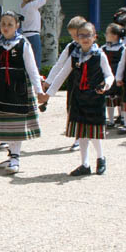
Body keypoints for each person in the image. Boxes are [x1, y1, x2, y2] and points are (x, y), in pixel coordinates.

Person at [41, 22, 114, 176]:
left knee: (93, 131)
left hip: (95, 98)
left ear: (94, 37)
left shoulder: (99, 55)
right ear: (77, 38)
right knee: (81, 132)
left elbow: (109, 75)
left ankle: (101, 158)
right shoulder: (74, 56)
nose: (85, 38)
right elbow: (62, 75)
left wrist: (106, 85)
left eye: (88, 35)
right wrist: (49, 93)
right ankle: (84, 164)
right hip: (79, 98)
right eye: (81, 35)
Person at [0, 12, 46, 174]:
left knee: (16, 121)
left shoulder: (23, 43)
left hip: (19, 86)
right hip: (0, 87)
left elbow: (32, 68)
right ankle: (11, 155)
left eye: (10, 24)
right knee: (5, 122)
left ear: (17, 25)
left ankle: (16, 157)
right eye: (3, 24)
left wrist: (39, 90)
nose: (6, 27)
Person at [43, 16, 87, 151]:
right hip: (74, 81)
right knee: (72, 107)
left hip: (88, 81)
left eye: (76, 35)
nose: (74, 38)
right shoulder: (71, 47)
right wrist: (49, 82)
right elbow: (59, 65)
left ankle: (82, 137)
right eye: (72, 35)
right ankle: (78, 136)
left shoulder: (91, 48)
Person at [19, 0, 52, 69]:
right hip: (33, 35)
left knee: (26, 59)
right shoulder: (32, 6)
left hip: (25, 35)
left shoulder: (22, 6)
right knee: (36, 60)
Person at [101, 23, 125, 127]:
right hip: (108, 74)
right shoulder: (103, 48)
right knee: (109, 97)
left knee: (120, 97)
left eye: (107, 33)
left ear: (115, 35)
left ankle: (123, 117)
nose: (105, 35)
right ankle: (110, 120)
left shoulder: (122, 48)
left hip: (119, 74)